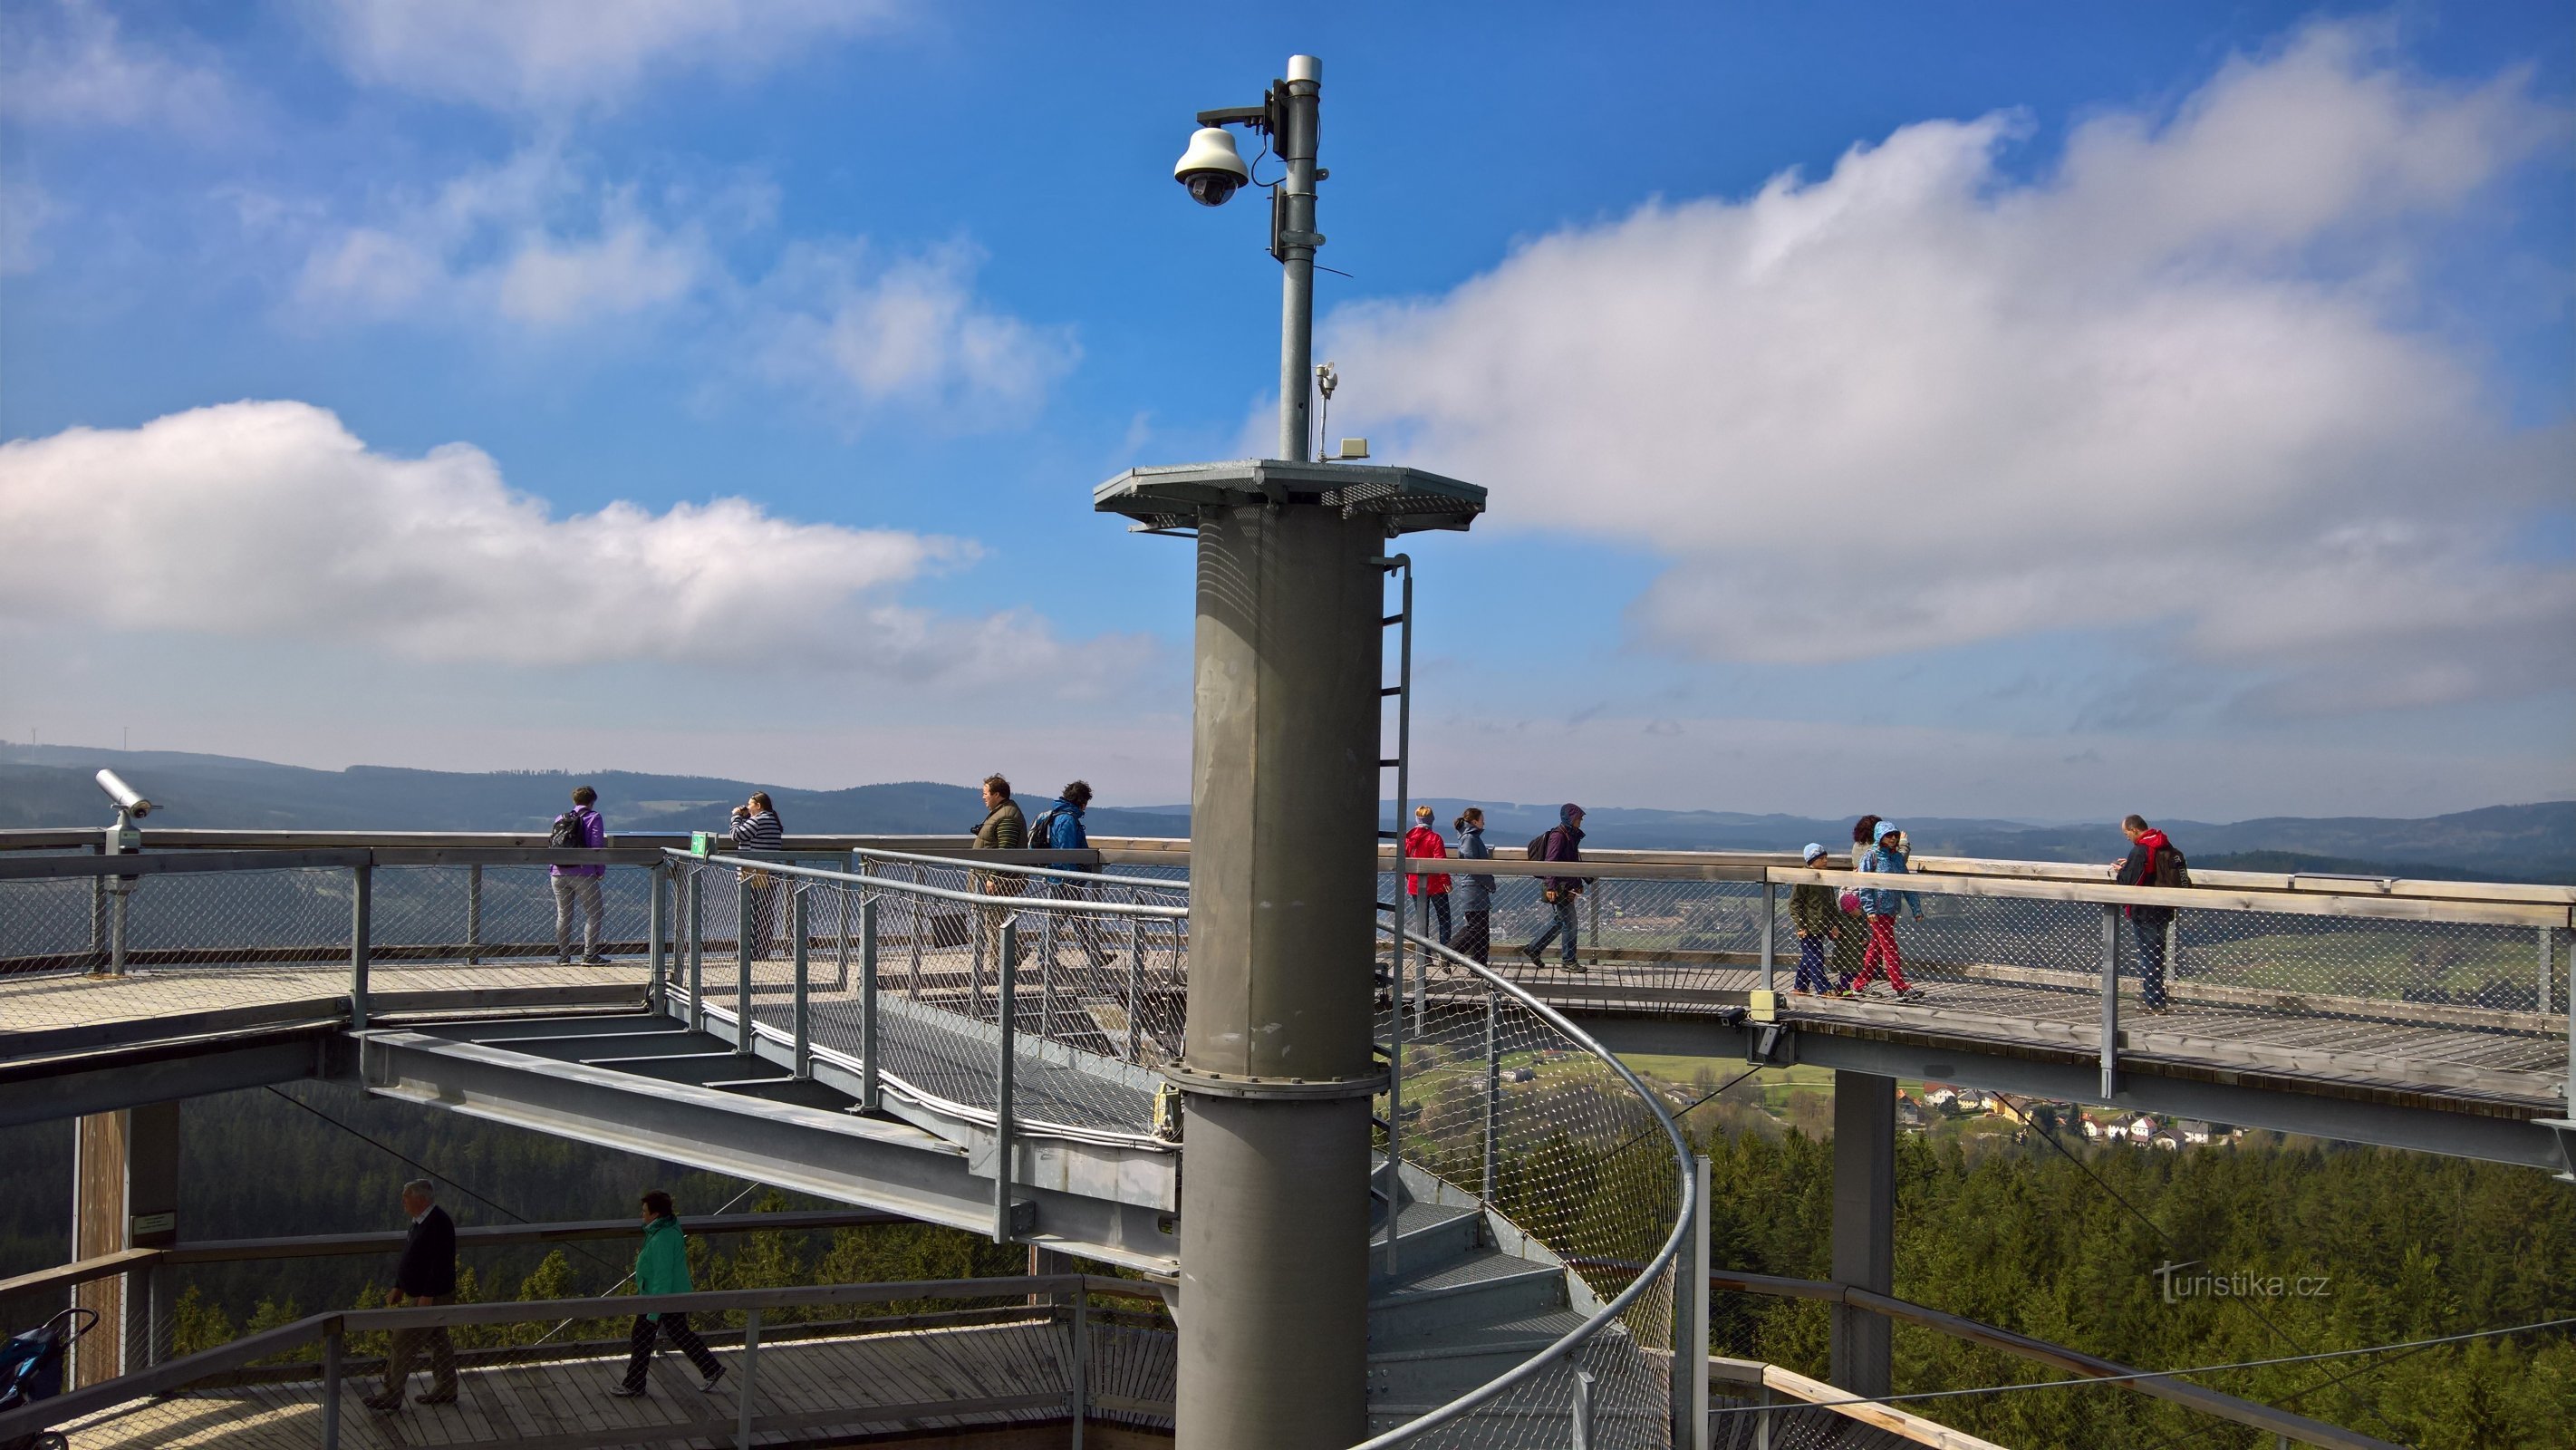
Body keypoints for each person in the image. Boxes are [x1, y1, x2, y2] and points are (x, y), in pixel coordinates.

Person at [609, 1190, 726, 1397]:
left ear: (655, 1215)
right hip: (674, 1294)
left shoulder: (661, 1237)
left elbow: (663, 1276)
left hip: (660, 1296)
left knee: (642, 1336)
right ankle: (711, 1368)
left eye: (644, 1211)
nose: (642, 1214)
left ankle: (634, 1384)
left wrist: (654, 1311)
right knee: (678, 1332)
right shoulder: (668, 1228)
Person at [365, 1179, 458, 1412]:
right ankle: (447, 1388)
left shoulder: (438, 1223)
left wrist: (428, 1293)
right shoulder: (419, 1222)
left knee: (403, 1339)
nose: (403, 1201)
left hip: (432, 1295)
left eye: (406, 1197)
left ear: (421, 1199)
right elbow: (413, 1258)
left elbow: (441, 1263)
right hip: (423, 1293)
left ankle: (391, 1394)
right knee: (438, 1340)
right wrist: (399, 1286)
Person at [1029, 781, 1111, 971]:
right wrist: (1073, 876)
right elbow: (1066, 852)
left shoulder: (1061, 815)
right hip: (1065, 880)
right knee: (1059, 919)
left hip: (1062, 877)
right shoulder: (1067, 819)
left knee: (1074, 917)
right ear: (1081, 801)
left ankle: (1095, 955)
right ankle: (1045, 960)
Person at [1849, 821, 1924, 1000]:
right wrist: (1869, 909)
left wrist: (1916, 908)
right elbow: (1864, 885)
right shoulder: (1871, 856)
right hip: (1877, 912)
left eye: (1895, 835)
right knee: (1890, 948)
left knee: (1876, 949)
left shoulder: (1897, 858)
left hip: (1891, 911)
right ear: (1879, 836)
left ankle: (1859, 984)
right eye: (1888, 835)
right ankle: (1900, 986)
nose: (1893, 838)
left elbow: (1906, 884)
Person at [2112, 814, 2178, 1011]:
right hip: (2164, 909)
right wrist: (2130, 865)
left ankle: (2154, 1001)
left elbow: (2129, 883)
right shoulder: (2164, 846)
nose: (2127, 838)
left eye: (2127, 833)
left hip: (2145, 911)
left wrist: (2120, 872)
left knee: (2148, 956)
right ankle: (2157, 996)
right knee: (2158, 954)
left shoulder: (2141, 850)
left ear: (2134, 830)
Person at [1519, 803, 1587, 973]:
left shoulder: (1569, 835)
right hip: (1559, 886)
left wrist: (1577, 884)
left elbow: (1571, 863)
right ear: (1571, 818)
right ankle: (1569, 961)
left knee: (1560, 921)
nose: (1581, 820)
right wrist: (1551, 886)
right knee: (1571, 923)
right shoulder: (1559, 836)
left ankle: (1534, 948)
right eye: (1579, 817)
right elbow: (1551, 861)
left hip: (1564, 885)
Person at [970, 774, 1028, 970]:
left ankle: (999, 966)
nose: (983, 797)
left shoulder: (1007, 815)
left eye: (986, 793)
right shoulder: (1001, 812)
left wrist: (995, 876)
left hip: (997, 880)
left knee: (995, 923)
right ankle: (1013, 953)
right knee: (995, 921)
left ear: (997, 794)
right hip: (990, 878)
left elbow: (1007, 849)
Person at [552, 786, 608, 965]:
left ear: (574, 801)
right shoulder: (594, 817)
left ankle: (563, 956)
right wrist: (599, 870)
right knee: (595, 912)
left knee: (563, 914)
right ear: (592, 801)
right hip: (583, 872)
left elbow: (553, 843)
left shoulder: (561, 818)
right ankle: (589, 954)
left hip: (558, 872)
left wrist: (552, 867)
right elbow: (596, 846)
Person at [729, 792, 784, 959]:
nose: (747, 807)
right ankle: (760, 951)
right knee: (763, 914)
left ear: (758, 806)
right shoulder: (770, 820)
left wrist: (736, 817)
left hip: (755, 874)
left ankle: (751, 952)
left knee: (753, 914)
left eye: (750, 804)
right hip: (767, 874)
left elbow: (737, 835)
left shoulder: (759, 820)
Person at [1788, 843, 1843, 996]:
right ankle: (1823, 988)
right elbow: (1794, 904)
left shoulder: (1825, 878)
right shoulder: (1804, 878)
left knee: (1809, 957)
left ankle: (1800, 986)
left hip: (1821, 926)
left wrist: (1834, 924)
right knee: (1816, 959)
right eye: (1821, 858)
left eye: (1826, 858)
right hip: (1808, 928)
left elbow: (1831, 903)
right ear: (1812, 860)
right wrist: (1800, 926)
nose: (1826, 861)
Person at [1401, 805, 1453, 946]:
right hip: (1436, 884)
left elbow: (1404, 862)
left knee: (1422, 920)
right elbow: (1440, 862)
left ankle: (1424, 955)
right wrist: (1446, 881)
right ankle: (1445, 952)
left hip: (1415, 883)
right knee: (1444, 919)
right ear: (1432, 819)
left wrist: (1409, 878)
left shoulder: (1407, 839)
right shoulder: (1435, 838)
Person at [1452, 808, 1496, 965]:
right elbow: (1472, 866)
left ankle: (1478, 966)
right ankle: (1450, 953)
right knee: (1476, 928)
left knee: (1481, 930)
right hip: (1474, 889)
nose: (1484, 822)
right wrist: (1489, 882)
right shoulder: (1470, 838)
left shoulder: (1470, 837)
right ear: (1475, 821)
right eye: (1482, 819)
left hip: (1476, 889)